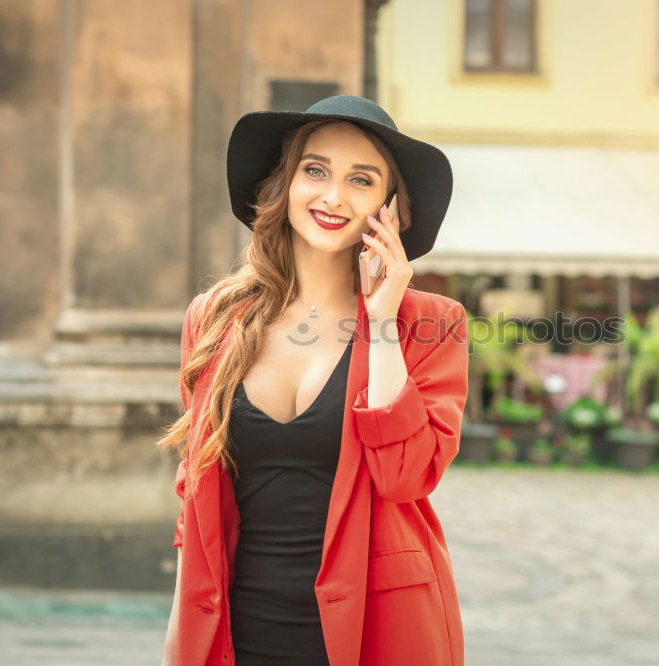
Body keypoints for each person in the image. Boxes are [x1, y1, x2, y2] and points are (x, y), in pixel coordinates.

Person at [156, 95, 469, 666]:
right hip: (238, 629)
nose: (333, 196)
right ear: (286, 182)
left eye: (361, 179)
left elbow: (405, 476)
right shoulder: (214, 318)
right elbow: (195, 499)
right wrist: (178, 648)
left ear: (391, 207)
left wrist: (379, 320)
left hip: (377, 631)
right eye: (316, 170)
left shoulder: (430, 323)